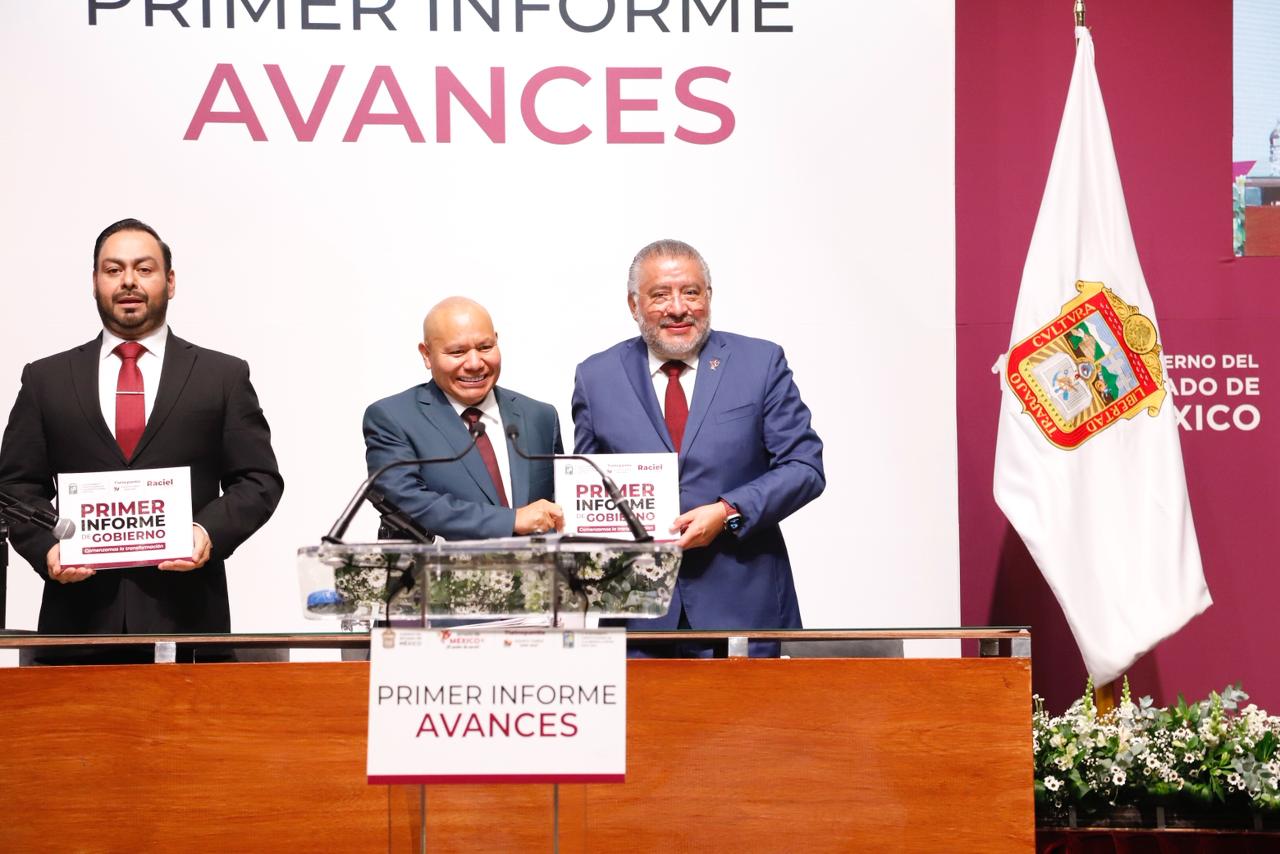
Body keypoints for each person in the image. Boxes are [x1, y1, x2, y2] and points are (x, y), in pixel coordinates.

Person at [0, 218, 284, 643]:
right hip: (76, 626)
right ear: (94, 282)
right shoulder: (46, 379)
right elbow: (15, 485)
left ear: (170, 282)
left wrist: (205, 532)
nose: (128, 281)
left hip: (188, 623)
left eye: (144, 269)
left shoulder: (222, 376)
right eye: (113, 269)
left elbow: (259, 480)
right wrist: (49, 547)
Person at [572, 239, 825, 655]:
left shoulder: (760, 363)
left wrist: (727, 512)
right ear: (634, 305)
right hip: (639, 615)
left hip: (744, 606)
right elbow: (587, 490)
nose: (678, 308)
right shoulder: (596, 377)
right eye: (660, 295)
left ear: (708, 296)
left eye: (691, 292)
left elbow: (805, 468)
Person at [363, 296, 563, 540]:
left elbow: (560, 505)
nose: (475, 363)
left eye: (485, 347)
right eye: (457, 352)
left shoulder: (540, 416)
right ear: (426, 354)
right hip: (440, 564)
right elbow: (406, 500)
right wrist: (511, 520)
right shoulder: (393, 418)